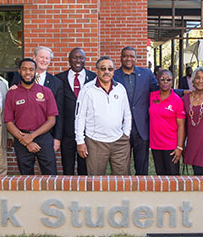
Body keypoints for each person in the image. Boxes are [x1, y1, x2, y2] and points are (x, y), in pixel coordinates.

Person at [76, 57, 132, 175]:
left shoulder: (120, 89)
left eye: (110, 69)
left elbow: (127, 114)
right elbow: (79, 117)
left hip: (119, 141)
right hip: (95, 142)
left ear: (113, 71)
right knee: (96, 180)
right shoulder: (87, 90)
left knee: (122, 179)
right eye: (103, 68)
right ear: (97, 70)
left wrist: (126, 134)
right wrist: (80, 141)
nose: (106, 71)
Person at [4, 58, 58, 175]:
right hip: (21, 138)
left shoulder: (46, 91)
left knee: (51, 175)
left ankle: (51, 194)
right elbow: (8, 122)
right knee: (26, 177)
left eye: (31, 69)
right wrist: (26, 141)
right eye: (24, 69)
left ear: (35, 72)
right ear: (19, 71)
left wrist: (32, 136)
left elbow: (52, 120)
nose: (27, 72)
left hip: (43, 137)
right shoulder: (12, 94)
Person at [113, 46, 158, 175]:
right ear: (121, 58)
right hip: (120, 127)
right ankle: (123, 189)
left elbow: (159, 91)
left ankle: (141, 191)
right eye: (125, 56)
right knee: (121, 165)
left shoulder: (146, 74)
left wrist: (182, 92)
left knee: (142, 166)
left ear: (136, 58)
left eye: (132, 56)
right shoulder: (114, 75)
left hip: (141, 127)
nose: (129, 59)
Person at [10, 46, 64, 153]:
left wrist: (57, 138)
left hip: (47, 135)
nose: (44, 60)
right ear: (34, 58)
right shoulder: (18, 78)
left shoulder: (56, 83)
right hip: (23, 135)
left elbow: (59, 113)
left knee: (45, 168)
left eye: (47, 58)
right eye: (41, 57)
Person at [54, 48, 96, 175]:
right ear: (69, 60)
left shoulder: (93, 78)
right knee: (67, 168)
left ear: (85, 60)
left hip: (86, 132)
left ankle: (83, 193)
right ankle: (69, 194)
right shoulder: (59, 79)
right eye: (74, 57)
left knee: (84, 168)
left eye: (81, 58)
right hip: (67, 132)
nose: (78, 61)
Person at [148, 69, 186, 175]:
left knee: (173, 178)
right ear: (158, 81)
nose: (165, 82)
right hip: (156, 145)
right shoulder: (152, 97)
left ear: (172, 81)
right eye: (162, 79)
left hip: (171, 146)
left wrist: (179, 147)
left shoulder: (177, 100)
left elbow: (181, 126)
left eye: (168, 80)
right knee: (160, 176)